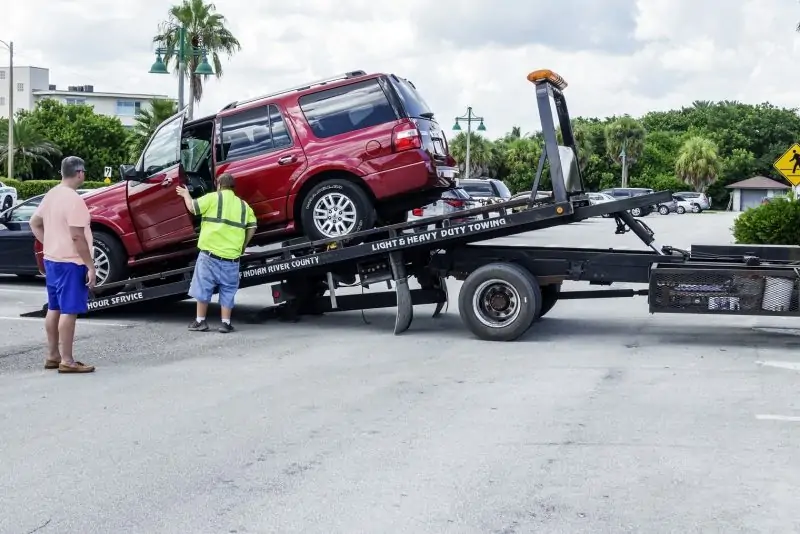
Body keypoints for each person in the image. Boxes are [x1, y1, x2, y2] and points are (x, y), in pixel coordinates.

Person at [29, 156, 96, 374]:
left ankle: (52, 355)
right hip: (71, 262)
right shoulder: (74, 200)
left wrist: (48, 242)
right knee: (69, 311)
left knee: (54, 307)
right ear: (79, 173)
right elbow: (77, 237)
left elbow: (34, 223)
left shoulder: (52, 194)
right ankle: (67, 360)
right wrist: (91, 266)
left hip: (52, 260)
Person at [176, 172, 257, 333]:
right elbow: (252, 226)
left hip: (209, 255)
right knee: (228, 289)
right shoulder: (243, 206)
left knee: (203, 287)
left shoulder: (212, 198)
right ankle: (225, 323)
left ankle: (200, 321)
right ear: (233, 188)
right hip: (232, 257)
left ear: (219, 185)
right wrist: (243, 245)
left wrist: (186, 194)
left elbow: (192, 207)